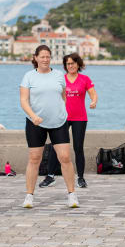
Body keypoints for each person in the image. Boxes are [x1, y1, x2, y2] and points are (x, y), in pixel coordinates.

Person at [19, 45, 79, 209]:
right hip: (35, 123)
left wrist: (61, 112)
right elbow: (24, 100)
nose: (45, 59)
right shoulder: (29, 76)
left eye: (48, 57)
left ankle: (72, 195)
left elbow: (63, 96)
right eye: (42, 57)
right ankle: (29, 196)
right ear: (36, 58)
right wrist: (33, 116)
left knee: (65, 157)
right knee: (34, 159)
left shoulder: (59, 75)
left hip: (58, 122)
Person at [39, 53, 97, 189]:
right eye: (68, 64)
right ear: (65, 66)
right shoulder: (61, 78)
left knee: (78, 148)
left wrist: (93, 101)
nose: (70, 66)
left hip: (80, 118)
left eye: (73, 63)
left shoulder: (85, 79)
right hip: (61, 118)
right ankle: (50, 176)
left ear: (78, 64)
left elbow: (93, 93)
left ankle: (81, 178)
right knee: (56, 147)